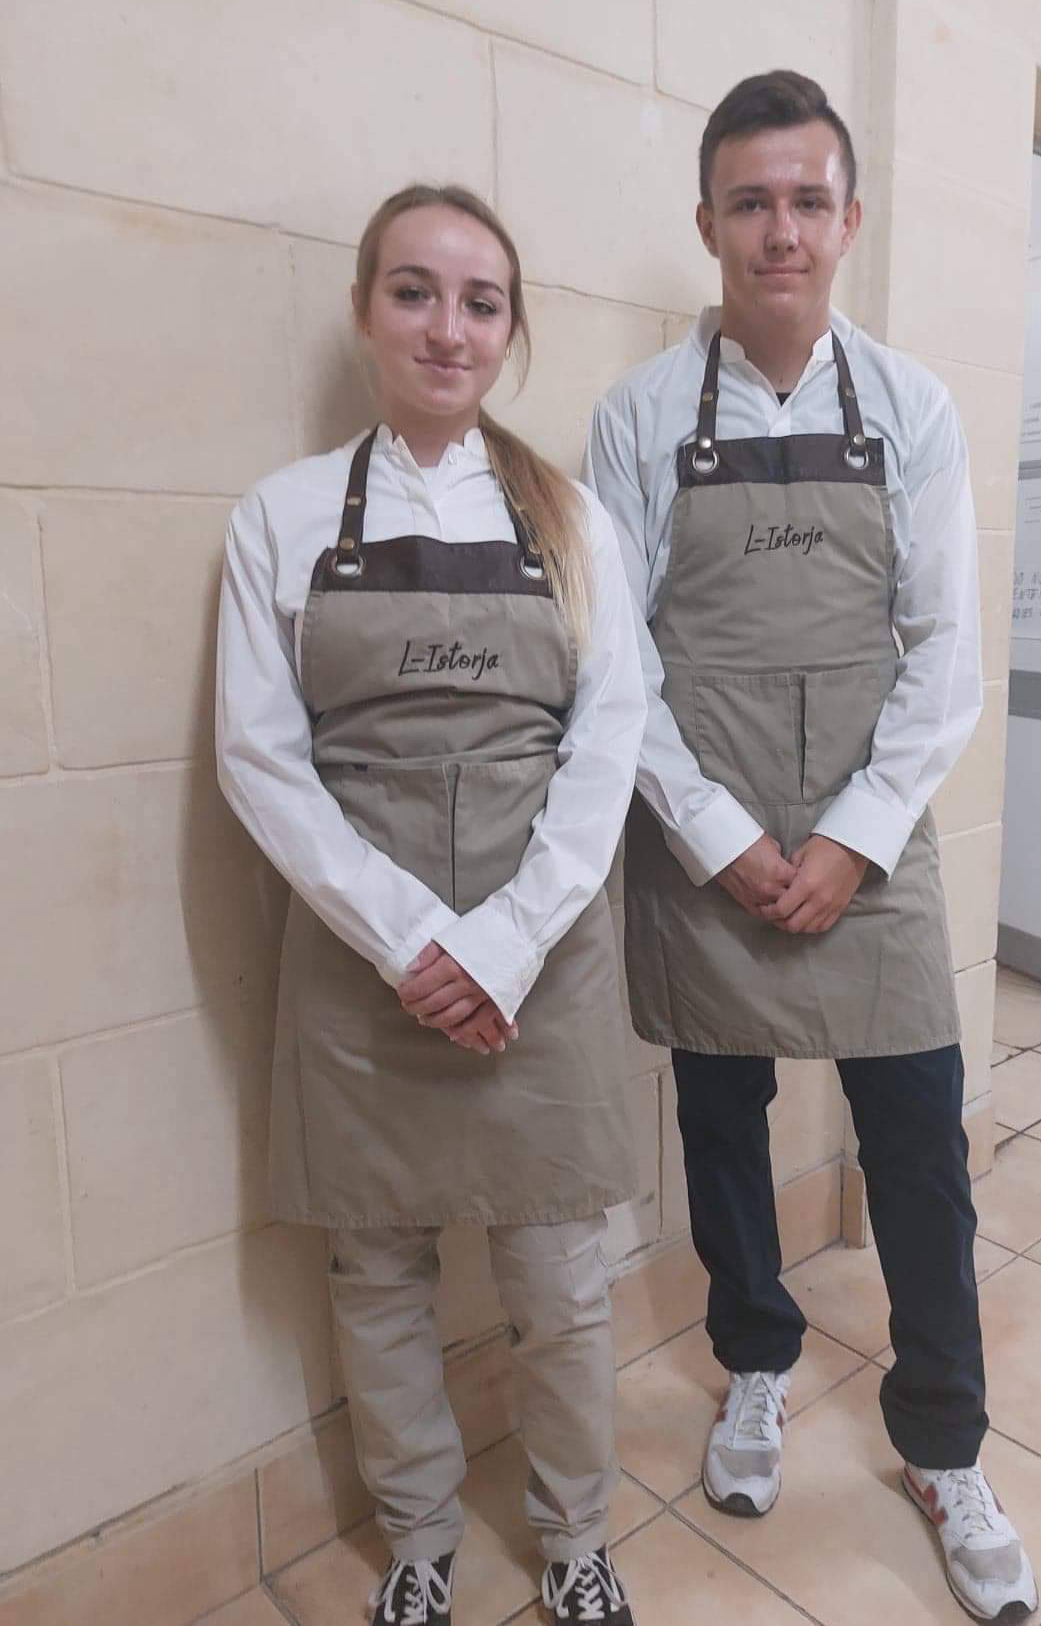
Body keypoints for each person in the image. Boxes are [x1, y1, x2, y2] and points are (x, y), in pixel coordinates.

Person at [583, 73, 1038, 1624]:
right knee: (722, 1127)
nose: (779, 230)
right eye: (750, 201)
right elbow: (617, 662)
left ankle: (945, 1443)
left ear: (849, 219)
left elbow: (945, 660)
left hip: (873, 842)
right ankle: (757, 1364)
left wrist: (849, 839)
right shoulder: (641, 417)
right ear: (708, 221)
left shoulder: (911, 407)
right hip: (700, 836)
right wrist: (718, 838)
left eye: (805, 200)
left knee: (918, 1144)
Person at [217, 184, 646, 1626]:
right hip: (362, 963)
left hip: (545, 956)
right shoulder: (281, 519)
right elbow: (260, 760)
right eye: (415, 292)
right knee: (378, 1269)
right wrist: (411, 940)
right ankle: (418, 1542)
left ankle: (576, 1536)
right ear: (364, 312)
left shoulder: (574, 521)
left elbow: (609, 743)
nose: (447, 328)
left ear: (511, 330)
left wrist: (505, 942)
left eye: (480, 301)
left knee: (562, 1277)